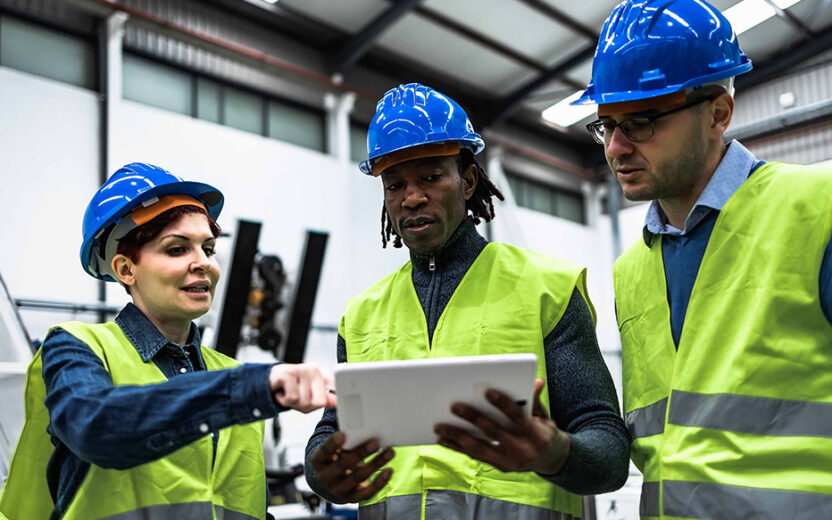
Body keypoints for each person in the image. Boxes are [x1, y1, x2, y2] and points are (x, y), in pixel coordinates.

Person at [304, 83, 629, 519]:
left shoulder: (547, 289)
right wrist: (321, 471)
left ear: (468, 180)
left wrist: (554, 453)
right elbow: (332, 428)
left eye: (431, 177)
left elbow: (607, 447)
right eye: (394, 184)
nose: (411, 197)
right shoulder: (361, 314)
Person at [572, 1, 832, 518]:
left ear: (718, 113)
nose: (616, 148)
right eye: (606, 126)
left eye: (641, 122)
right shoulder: (632, 268)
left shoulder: (816, 209)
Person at [0, 162, 337, 520]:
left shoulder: (233, 373)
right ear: (126, 269)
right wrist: (251, 388)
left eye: (208, 248)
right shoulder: (76, 348)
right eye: (177, 249)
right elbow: (96, 426)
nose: (203, 263)